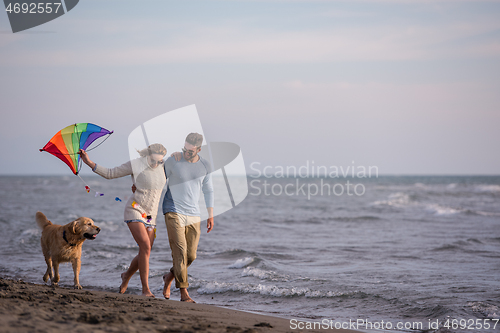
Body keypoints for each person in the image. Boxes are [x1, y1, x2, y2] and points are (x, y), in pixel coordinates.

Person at [79, 143, 167, 297]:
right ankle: (146, 289)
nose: (156, 164)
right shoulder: (136, 164)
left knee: (145, 251)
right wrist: (88, 162)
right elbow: (110, 173)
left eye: (159, 161)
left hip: (151, 215)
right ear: (148, 155)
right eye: (153, 160)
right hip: (134, 208)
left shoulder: (164, 166)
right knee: (145, 246)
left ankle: (126, 275)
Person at [162, 133, 214, 303]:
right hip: (172, 210)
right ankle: (184, 293)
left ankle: (169, 276)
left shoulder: (205, 165)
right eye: (184, 149)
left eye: (190, 151)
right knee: (180, 252)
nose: (186, 153)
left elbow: (208, 190)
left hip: (193, 213)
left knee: (191, 255)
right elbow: (157, 179)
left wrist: (210, 214)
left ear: (198, 149)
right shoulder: (173, 161)